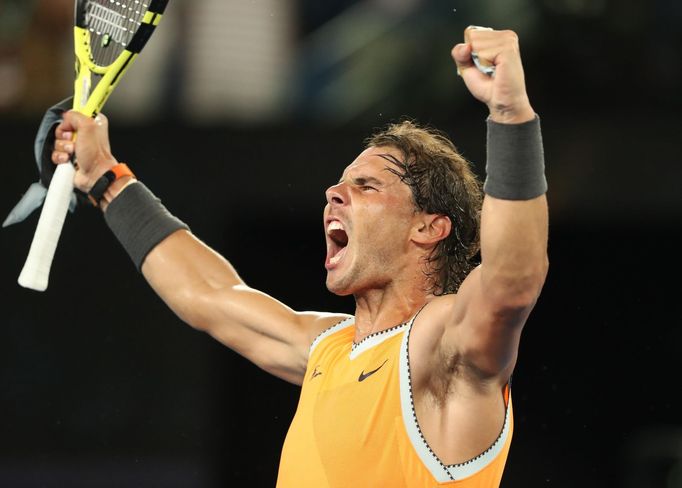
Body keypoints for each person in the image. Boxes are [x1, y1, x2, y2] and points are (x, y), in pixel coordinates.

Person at [50, 27, 548, 487]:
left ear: (428, 226)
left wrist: (510, 115)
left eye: (366, 185)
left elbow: (510, 281)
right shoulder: (326, 348)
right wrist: (104, 177)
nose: (334, 192)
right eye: (340, 181)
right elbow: (209, 294)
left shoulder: (440, 349)